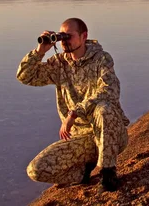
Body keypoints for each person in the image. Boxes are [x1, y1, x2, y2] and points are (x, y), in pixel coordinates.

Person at [16, 17, 130, 192]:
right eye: (62, 37)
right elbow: (25, 76)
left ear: (84, 36)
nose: (65, 42)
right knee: (36, 170)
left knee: (103, 109)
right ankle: (84, 173)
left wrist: (74, 113)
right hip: (81, 139)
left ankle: (108, 174)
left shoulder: (102, 59)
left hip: (111, 135)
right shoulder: (59, 64)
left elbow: (110, 91)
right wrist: (40, 51)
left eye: (69, 36)